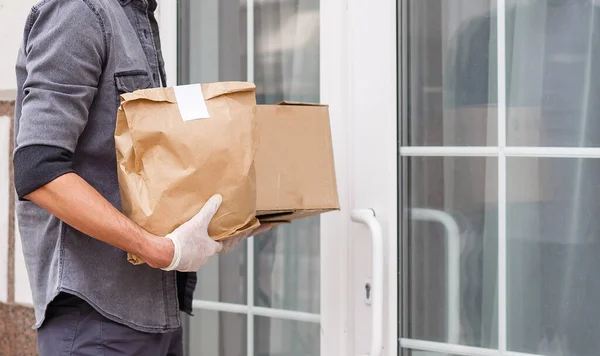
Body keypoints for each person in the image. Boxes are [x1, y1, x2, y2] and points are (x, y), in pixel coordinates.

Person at [13, 0, 269, 354]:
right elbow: (39, 170)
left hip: (152, 312)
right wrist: (159, 251)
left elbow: (141, 174)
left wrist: (221, 223)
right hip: (95, 320)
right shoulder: (78, 12)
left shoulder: (137, 18)